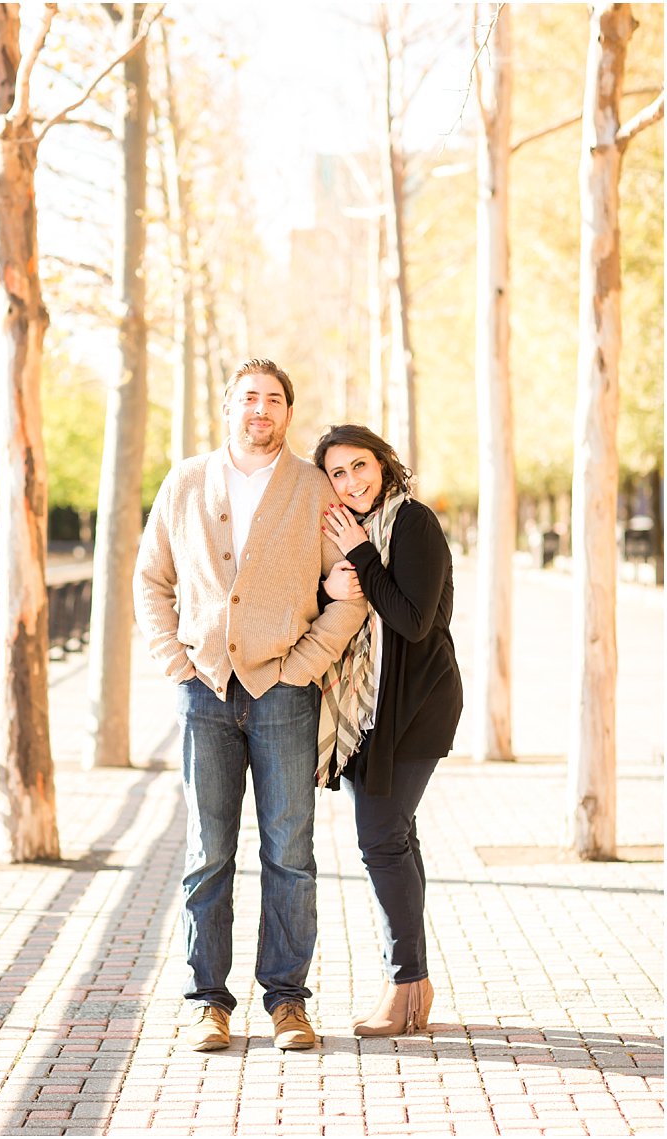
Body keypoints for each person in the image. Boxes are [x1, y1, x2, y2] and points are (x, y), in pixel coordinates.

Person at [134, 359, 367, 1052]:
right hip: (203, 689)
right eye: (248, 398)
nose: (259, 409)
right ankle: (208, 1002)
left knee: (290, 851)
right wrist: (176, 663)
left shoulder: (313, 487)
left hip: (284, 695)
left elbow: (349, 591)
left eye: (272, 400)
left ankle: (287, 1001)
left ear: (287, 413)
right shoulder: (185, 482)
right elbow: (152, 579)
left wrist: (301, 668)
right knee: (208, 850)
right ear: (227, 406)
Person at [315, 424, 463, 1036]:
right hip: (365, 709)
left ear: (383, 463)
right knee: (395, 837)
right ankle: (414, 988)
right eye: (337, 474)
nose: (351, 481)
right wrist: (332, 582)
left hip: (414, 705)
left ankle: (404, 984)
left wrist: (361, 556)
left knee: (379, 840)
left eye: (359, 466)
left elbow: (412, 620)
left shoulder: (413, 523)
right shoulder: (349, 531)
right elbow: (336, 608)